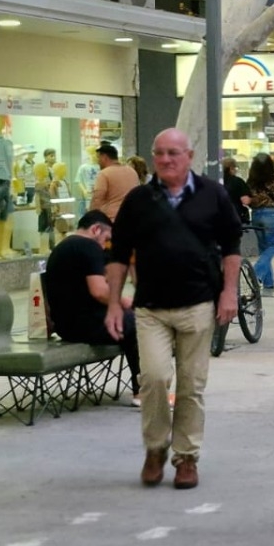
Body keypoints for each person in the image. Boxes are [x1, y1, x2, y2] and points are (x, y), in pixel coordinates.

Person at [105, 129, 243, 490]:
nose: (166, 160)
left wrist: (230, 293)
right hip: (150, 307)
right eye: (160, 153)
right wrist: (113, 305)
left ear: (189, 156)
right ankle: (155, 448)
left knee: (191, 387)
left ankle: (186, 458)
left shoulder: (213, 194)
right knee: (153, 378)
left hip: (198, 304)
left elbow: (232, 246)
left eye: (173, 153)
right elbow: (118, 255)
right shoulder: (138, 199)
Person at [45, 210, 139, 401]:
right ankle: (143, 389)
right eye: (106, 239)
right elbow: (99, 291)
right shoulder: (88, 247)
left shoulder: (60, 248)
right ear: (96, 229)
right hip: (87, 324)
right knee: (137, 322)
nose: (105, 245)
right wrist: (124, 302)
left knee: (129, 321)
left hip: (65, 326)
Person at [245, 153, 274, 291]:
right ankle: (256, 271)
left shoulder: (251, 180)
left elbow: (249, 199)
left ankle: (269, 283)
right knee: (272, 247)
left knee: (264, 249)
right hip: (270, 214)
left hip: (256, 215)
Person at [90, 143, 140, 220]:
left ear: (104, 157)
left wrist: (91, 217)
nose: (98, 161)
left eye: (98, 158)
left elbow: (97, 199)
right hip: (133, 217)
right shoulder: (132, 171)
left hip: (112, 219)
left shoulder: (104, 173)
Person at [220, 157, 251, 224]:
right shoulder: (237, 181)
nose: (236, 170)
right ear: (231, 168)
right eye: (236, 168)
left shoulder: (214, 181)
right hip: (234, 215)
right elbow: (246, 200)